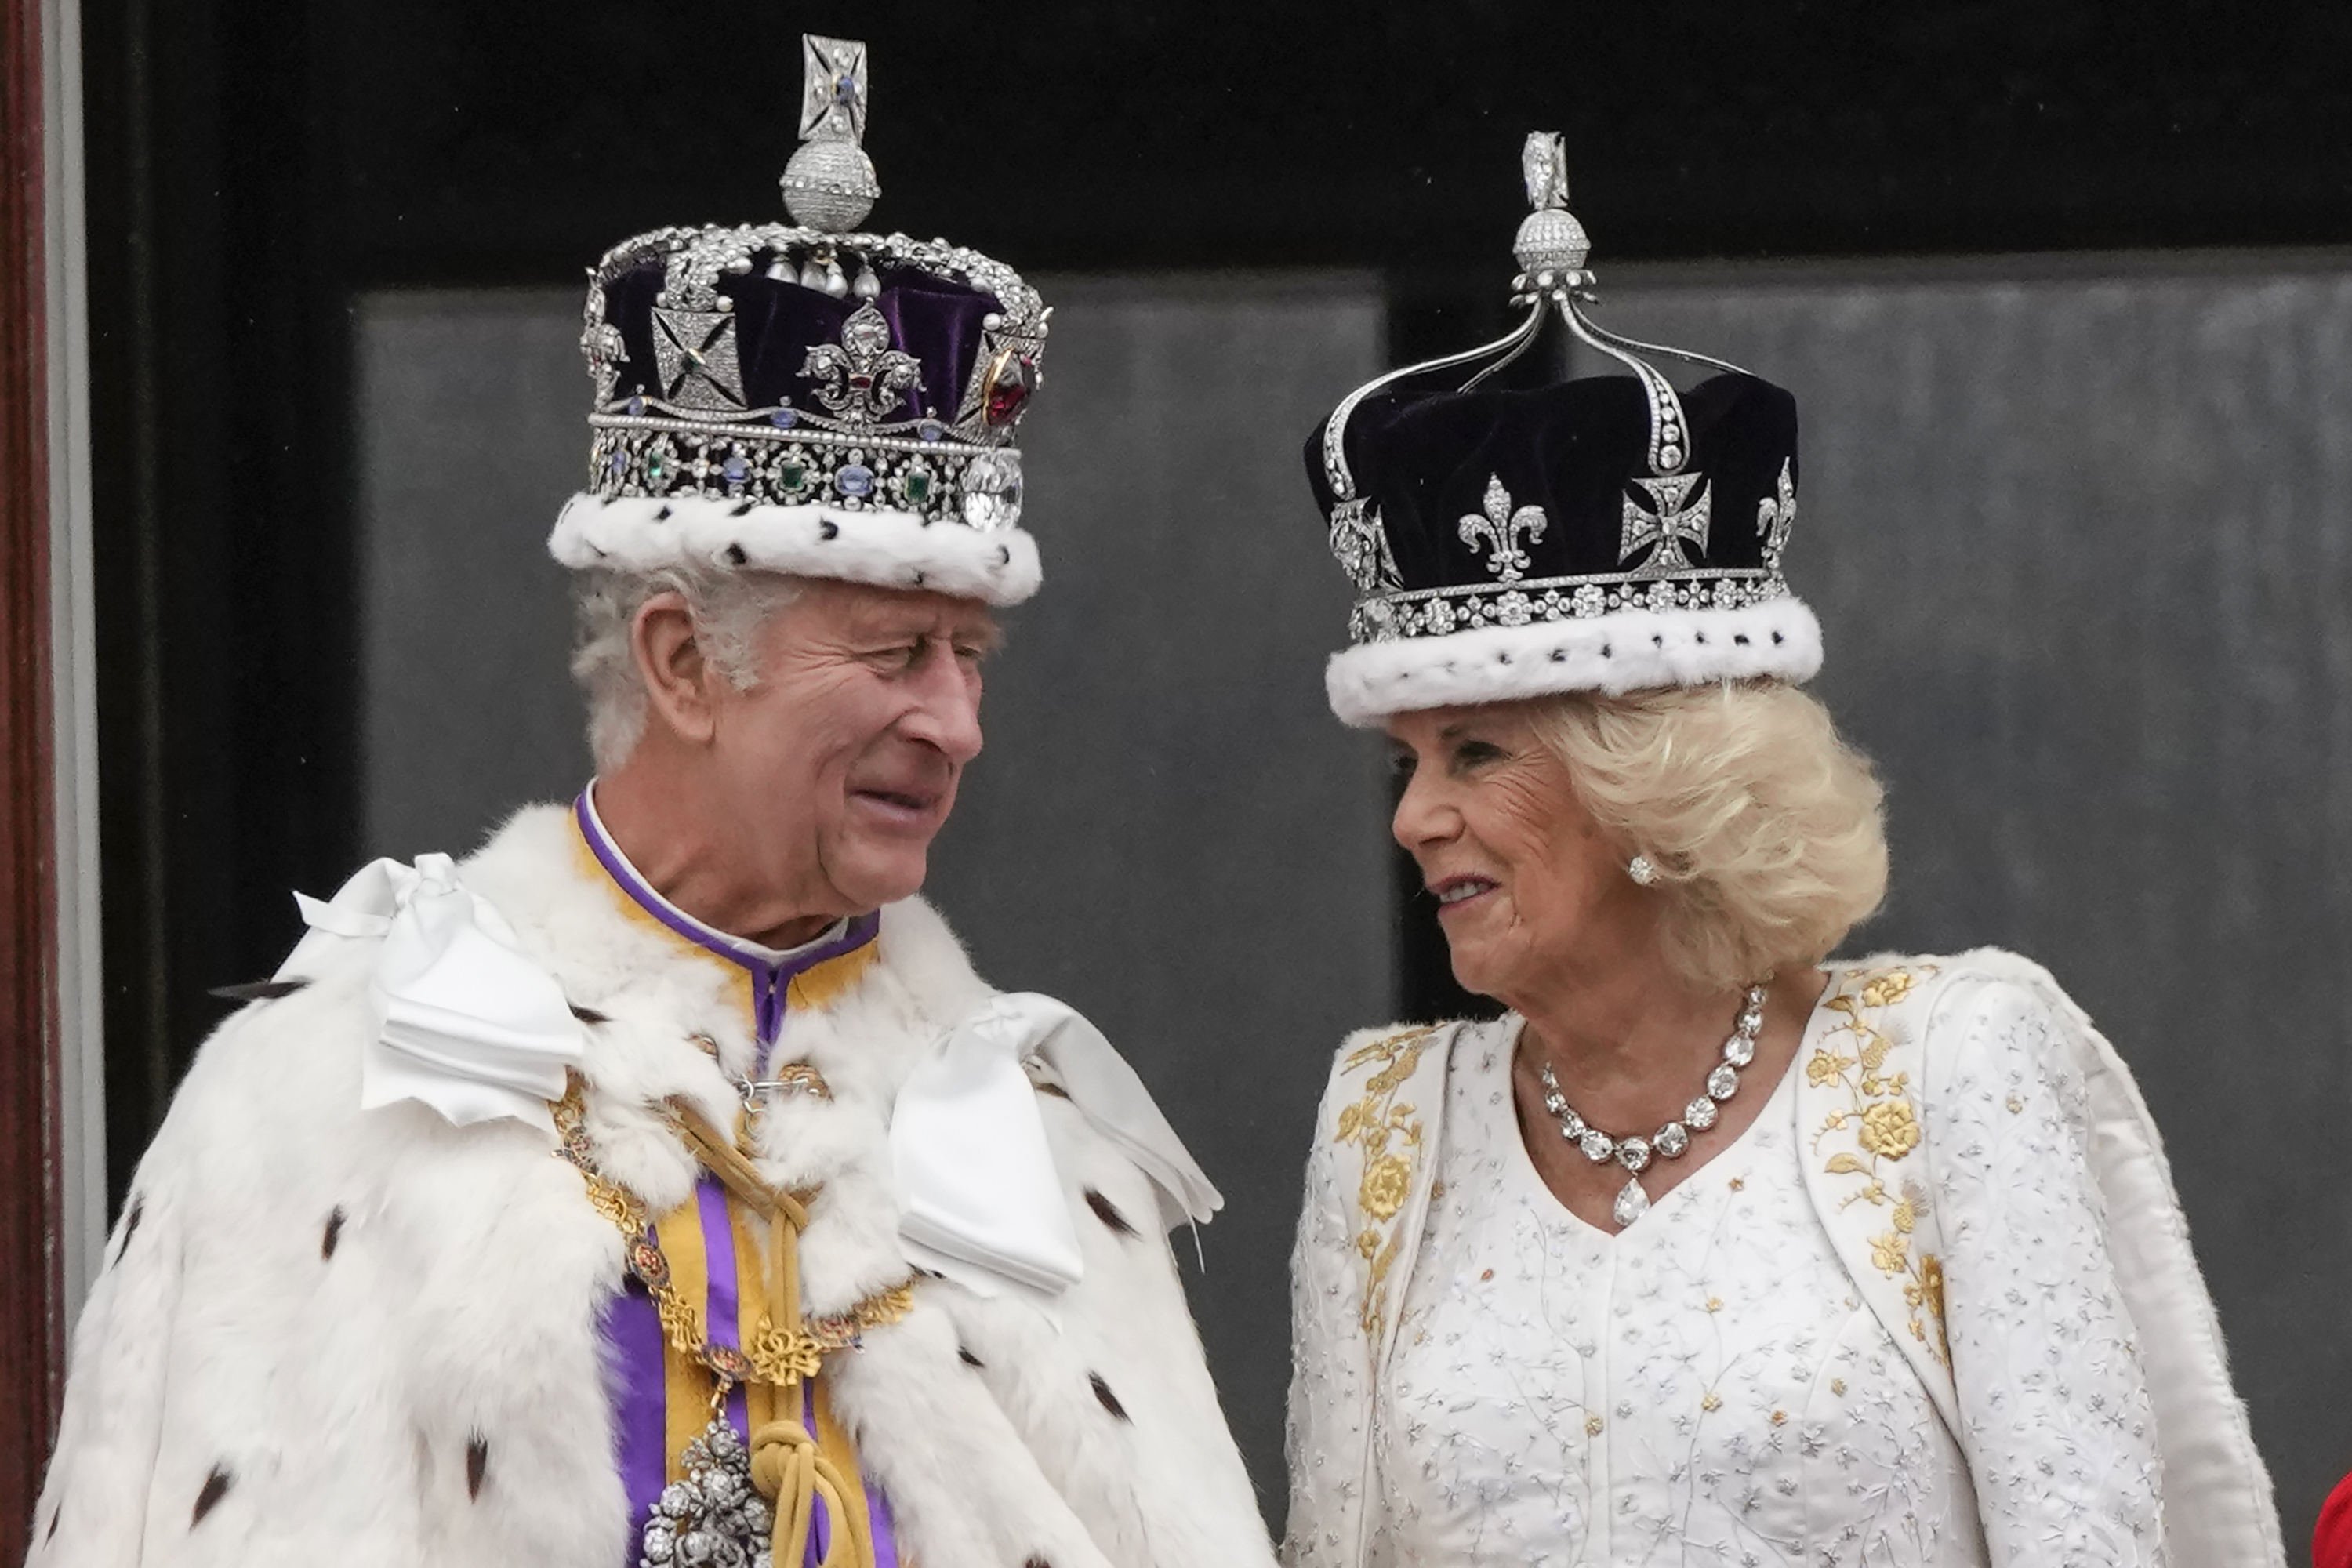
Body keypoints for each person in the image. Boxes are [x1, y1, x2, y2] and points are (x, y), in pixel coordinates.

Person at [32, 37, 1275, 1568]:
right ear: (684, 662)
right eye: (894, 655)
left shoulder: (1032, 1144)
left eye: (971, 656)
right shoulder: (328, 1091)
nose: (954, 724)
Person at [1280, 133, 2283, 1568]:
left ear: (1657, 793)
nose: (1413, 815)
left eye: (1478, 754)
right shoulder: (1383, 1125)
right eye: (1409, 761)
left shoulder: (1953, 1065)